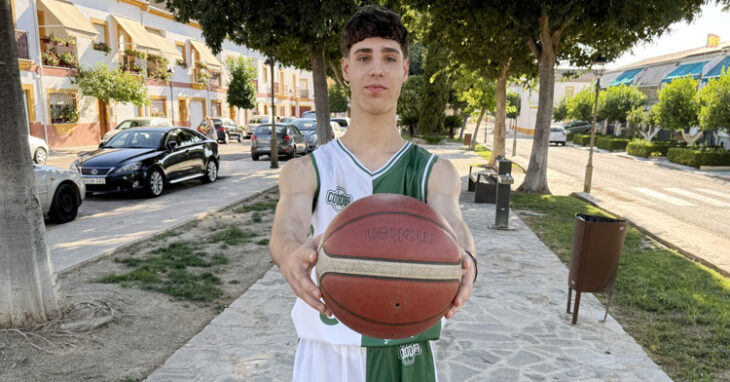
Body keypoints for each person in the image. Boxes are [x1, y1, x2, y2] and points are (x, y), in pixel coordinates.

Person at [269, 5, 477, 381]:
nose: (376, 69)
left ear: (405, 69)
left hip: (407, 355)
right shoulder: (307, 169)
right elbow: (289, 222)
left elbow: (453, 223)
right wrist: (290, 254)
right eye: (364, 57)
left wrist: (467, 260)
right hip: (328, 355)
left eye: (389, 57)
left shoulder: (434, 172)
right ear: (346, 69)